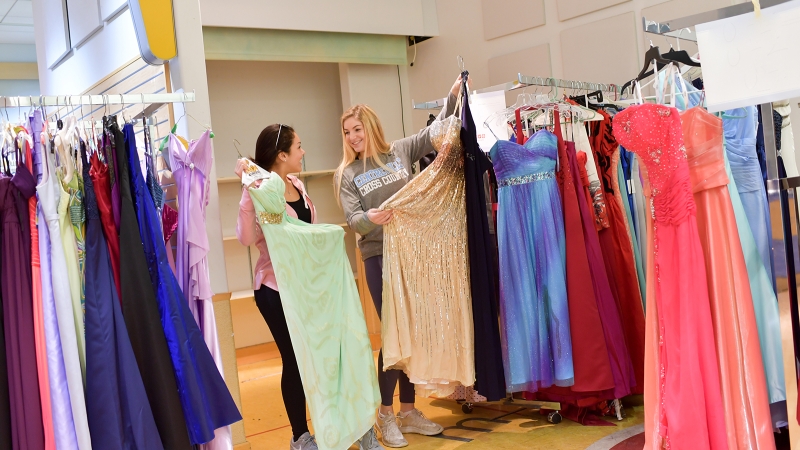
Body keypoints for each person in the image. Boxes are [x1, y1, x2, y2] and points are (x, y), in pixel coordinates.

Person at [334, 76, 464, 448]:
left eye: (356, 129)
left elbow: (437, 131)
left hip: (412, 255)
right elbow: (352, 219)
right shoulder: (348, 174)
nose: (352, 137)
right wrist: (370, 219)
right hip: (378, 256)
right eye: (347, 132)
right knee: (392, 335)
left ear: (370, 126)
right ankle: (385, 415)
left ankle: (408, 412)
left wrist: (452, 96)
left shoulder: (400, 151)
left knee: (412, 330)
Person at [236, 124, 384, 450]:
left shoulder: (296, 184)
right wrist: (249, 194)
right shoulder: (261, 189)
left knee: (328, 353)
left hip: (308, 287)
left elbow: (306, 235)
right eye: (299, 147)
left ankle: (354, 424)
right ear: (282, 155)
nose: (303, 152)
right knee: (295, 358)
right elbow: (246, 238)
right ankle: (300, 436)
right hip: (275, 289)